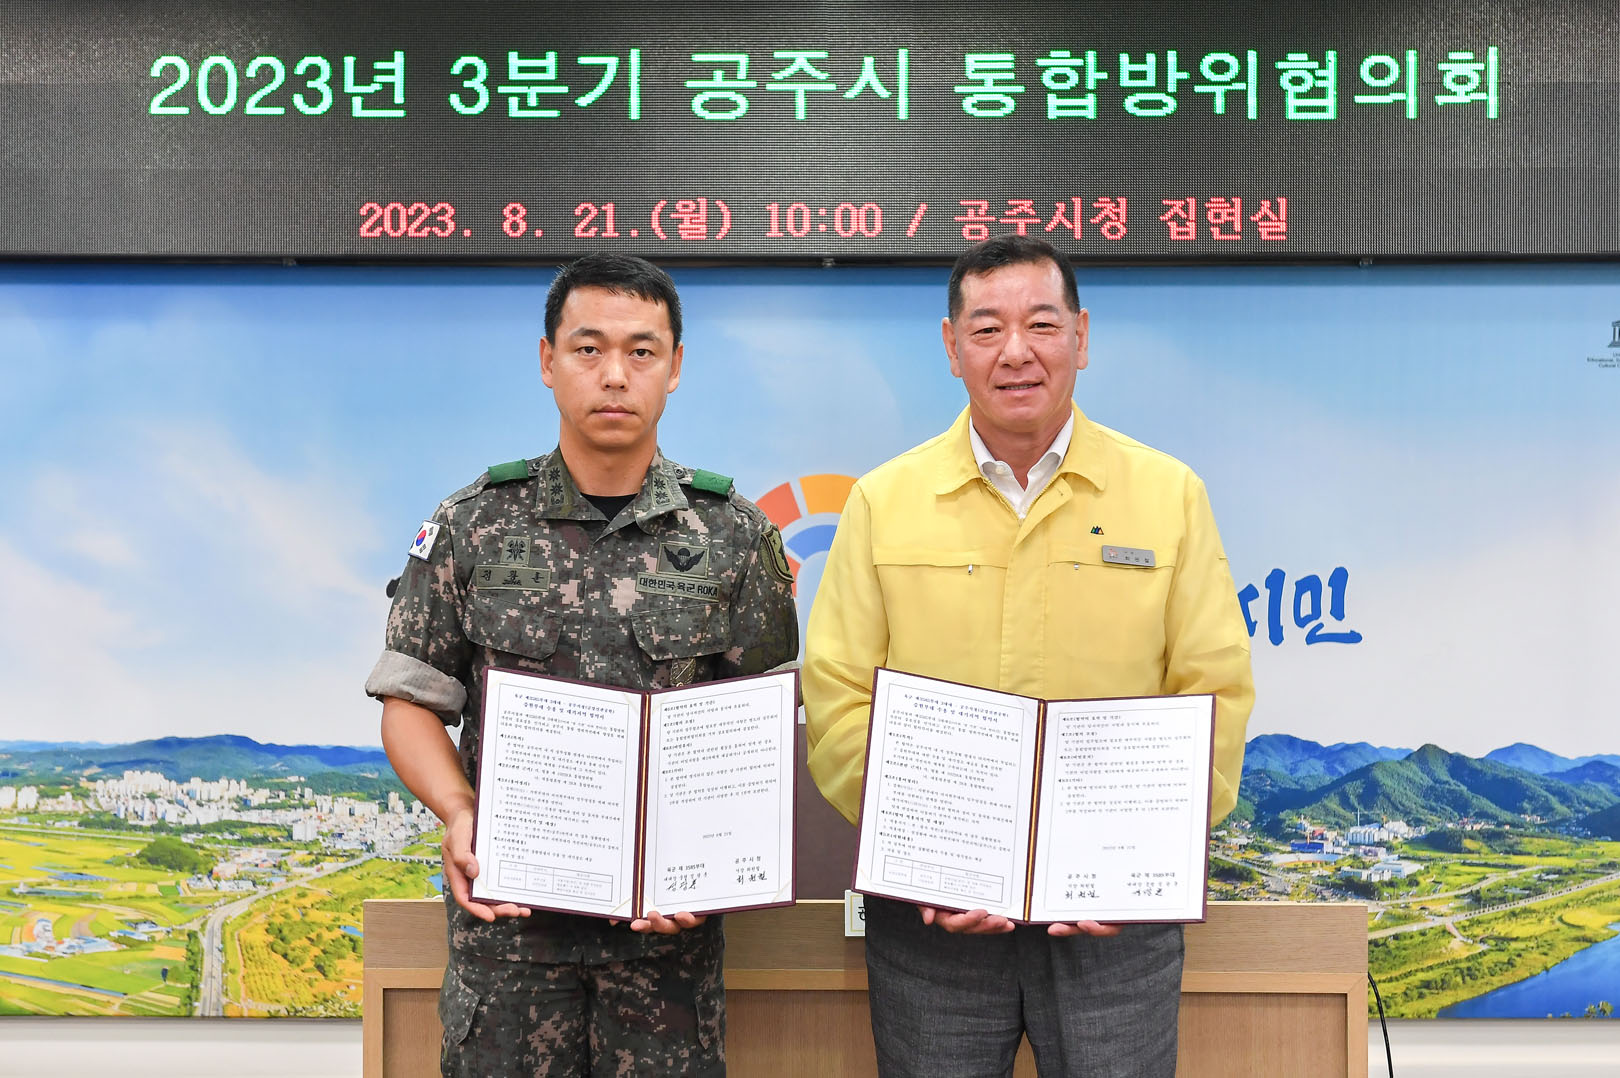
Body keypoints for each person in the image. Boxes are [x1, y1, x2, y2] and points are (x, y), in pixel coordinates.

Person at [802, 235, 1253, 1078]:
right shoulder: (885, 501)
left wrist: (1139, 859)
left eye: (1042, 325)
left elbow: (1215, 689)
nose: (1016, 352)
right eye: (987, 329)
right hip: (933, 923)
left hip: (1114, 928)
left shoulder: (1168, 495)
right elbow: (837, 697)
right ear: (951, 347)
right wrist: (926, 853)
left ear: (1081, 336)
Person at [366, 253, 798, 1078]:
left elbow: (759, 732)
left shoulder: (735, 536)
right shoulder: (473, 524)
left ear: (675, 367)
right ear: (547, 360)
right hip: (510, 941)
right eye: (588, 348)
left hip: (667, 957)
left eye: (641, 351)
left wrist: (712, 863)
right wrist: (459, 812)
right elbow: (411, 701)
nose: (614, 375)